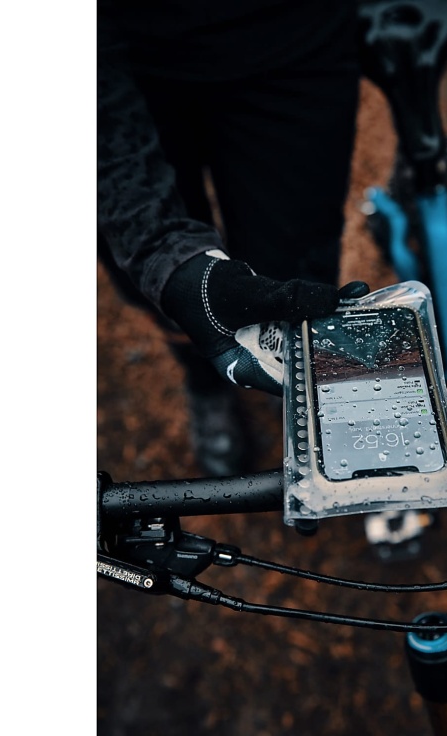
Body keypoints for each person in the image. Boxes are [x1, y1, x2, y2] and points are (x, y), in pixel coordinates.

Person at [97, 0, 366, 475]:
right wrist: (163, 255)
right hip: (110, 54)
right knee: (168, 285)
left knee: (292, 267)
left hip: (292, 39)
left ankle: (293, 374)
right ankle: (205, 377)